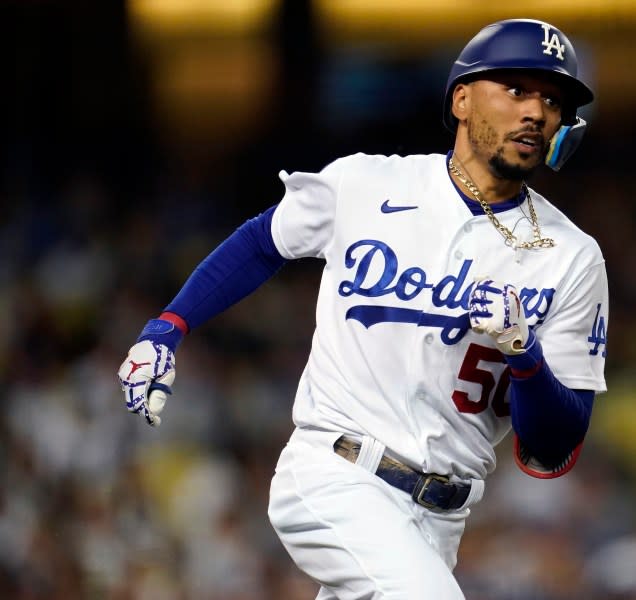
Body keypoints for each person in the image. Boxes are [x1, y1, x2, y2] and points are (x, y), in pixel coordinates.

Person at [118, 17, 608, 599]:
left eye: (552, 100)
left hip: (442, 517)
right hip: (337, 473)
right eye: (517, 90)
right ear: (461, 98)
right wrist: (169, 325)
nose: (535, 111)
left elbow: (555, 443)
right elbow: (261, 242)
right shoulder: (366, 184)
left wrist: (524, 354)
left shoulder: (573, 257)